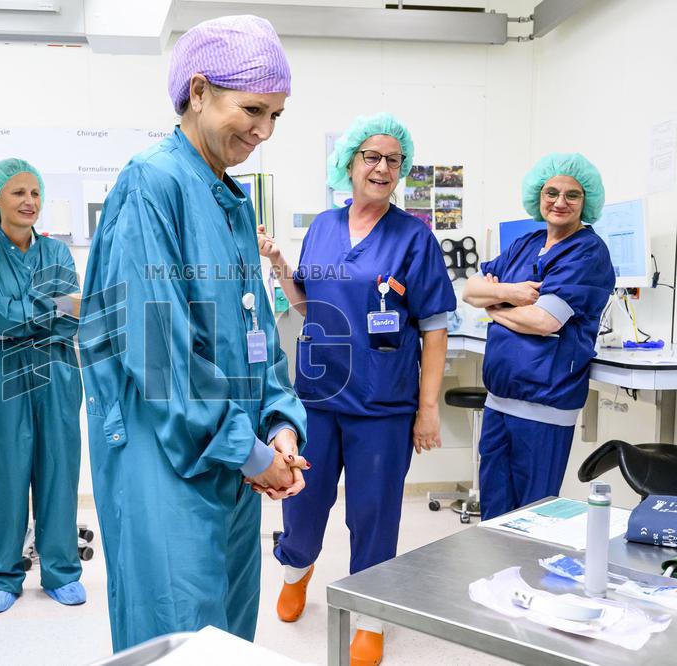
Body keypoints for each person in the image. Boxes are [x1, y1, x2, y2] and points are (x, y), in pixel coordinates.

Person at [79, 15, 307, 653]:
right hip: (168, 461)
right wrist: (256, 455)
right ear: (199, 91)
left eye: (276, 116)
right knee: (177, 636)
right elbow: (156, 356)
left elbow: (255, 330)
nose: (263, 131)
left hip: (233, 457)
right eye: (253, 109)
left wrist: (279, 425)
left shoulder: (228, 199)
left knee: (227, 636)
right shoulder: (152, 184)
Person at [260, 112, 456, 666]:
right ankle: (297, 570)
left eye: (393, 160)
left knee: (375, 513)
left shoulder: (415, 236)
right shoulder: (323, 225)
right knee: (302, 501)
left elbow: (436, 327)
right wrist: (280, 266)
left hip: (383, 403)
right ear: (348, 164)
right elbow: (307, 307)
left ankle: (370, 613)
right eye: (371, 156)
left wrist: (427, 411)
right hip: (317, 395)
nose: (382, 166)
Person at [0, 158, 85, 614]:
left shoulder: (56, 254)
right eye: (19, 193)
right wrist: (23, 315)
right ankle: (0, 574)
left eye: (35, 194)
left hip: (55, 375)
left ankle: (62, 571)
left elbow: (72, 315)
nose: (30, 201)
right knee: (5, 476)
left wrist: (7, 321)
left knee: (59, 473)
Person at [462, 153, 613, 520]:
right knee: (494, 515)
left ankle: (529, 579)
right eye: (551, 192)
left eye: (572, 195)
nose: (559, 202)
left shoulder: (588, 252)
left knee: (532, 517)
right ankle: (497, 579)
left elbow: (545, 320)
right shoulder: (525, 244)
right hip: (499, 401)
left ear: (586, 202)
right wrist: (511, 295)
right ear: (538, 196)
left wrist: (495, 309)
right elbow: (470, 290)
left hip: (544, 407)